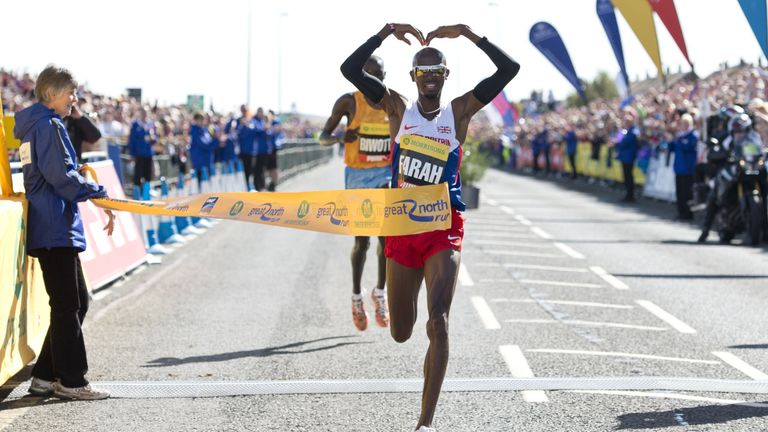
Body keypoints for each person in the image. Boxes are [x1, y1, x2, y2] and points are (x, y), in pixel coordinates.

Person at [341, 23, 519, 431]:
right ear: (413, 76)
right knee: (402, 332)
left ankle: (425, 423)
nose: (430, 78)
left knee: (438, 321)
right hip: (403, 228)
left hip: (443, 227)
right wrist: (385, 32)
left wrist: (469, 34)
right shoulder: (398, 109)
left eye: (437, 71)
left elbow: (509, 70)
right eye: (423, 72)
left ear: (445, 74)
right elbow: (350, 70)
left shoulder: (459, 111)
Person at [14, 65, 115, 400]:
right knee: (69, 304)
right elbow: (62, 176)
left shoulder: (37, 126)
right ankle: (72, 381)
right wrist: (97, 191)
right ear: (52, 94)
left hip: (52, 225)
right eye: (70, 92)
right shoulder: (48, 126)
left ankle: (44, 376)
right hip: (55, 226)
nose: (74, 99)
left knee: (73, 303)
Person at [320, 55, 392, 331]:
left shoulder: (392, 101)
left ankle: (380, 293)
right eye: (369, 75)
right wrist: (340, 137)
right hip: (358, 176)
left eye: (379, 75)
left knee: (387, 239)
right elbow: (323, 137)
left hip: (384, 174)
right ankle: (356, 296)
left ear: (385, 76)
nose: (374, 80)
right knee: (362, 242)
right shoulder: (349, 102)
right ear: (361, 75)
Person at [668, 114, 698, 221]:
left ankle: (688, 214)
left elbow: (688, 147)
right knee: (679, 193)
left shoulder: (693, 135)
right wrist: (671, 141)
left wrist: (678, 140)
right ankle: (681, 212)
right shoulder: (680, 136)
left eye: (686, 123)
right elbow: (671, 148)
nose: (683, 125)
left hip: (688, 169)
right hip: (679, 168)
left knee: (687, 193)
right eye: (682, 123)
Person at [128, 107, 156, 188]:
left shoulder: (151, 124)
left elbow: (155, 138)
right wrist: (132, 154)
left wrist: (153, 138)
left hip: (148, 154)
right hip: (139, 154)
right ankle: (137, 192)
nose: (145, 115)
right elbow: (132, 140)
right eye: (143, 113)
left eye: (146, 113)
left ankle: (146, 192)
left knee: (148, 176)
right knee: (138, 176)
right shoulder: (135, 124)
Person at [615, 111, 639, 202]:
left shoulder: (633, 131)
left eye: (627, 121)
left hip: (629, 157)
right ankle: (628, 194)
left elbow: (625, 142)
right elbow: (620, 140)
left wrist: (618, 141)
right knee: (626, 176)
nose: (625, 123)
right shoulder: (626, 130)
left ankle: (630, 195)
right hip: (625, 157)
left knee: (629, 176)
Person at [189, 112, 216, 187]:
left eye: (203, 119)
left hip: (207, 162)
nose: (202, 121)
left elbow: (209, 142)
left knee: (208, 185)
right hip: (199, 163)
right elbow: (205, 144)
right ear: (196, 120)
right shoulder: (195, 131)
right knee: (201, 186)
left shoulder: (204, 130)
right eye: (200, 119)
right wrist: (217, 141)